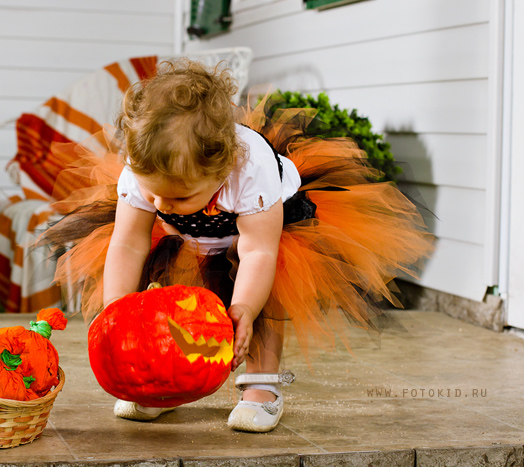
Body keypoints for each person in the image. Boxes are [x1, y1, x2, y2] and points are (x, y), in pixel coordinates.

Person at [40, 59, 433, 433]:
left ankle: (261, 386)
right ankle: (159, 384)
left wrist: (243, 306)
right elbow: (128, 243)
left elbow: (259, 250)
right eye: (153, 193)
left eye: (178, 196)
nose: (161, 205)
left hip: (261, 239)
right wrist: (116, 310)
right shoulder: (142, 174)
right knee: (167, 301)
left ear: (220, 169)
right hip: (188, 236)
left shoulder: (251, 170)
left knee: (260, 304)